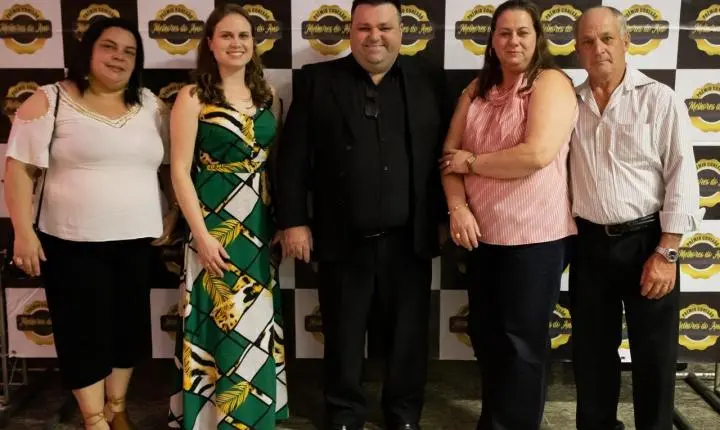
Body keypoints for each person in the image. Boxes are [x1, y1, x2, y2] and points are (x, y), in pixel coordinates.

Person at [275, 0, 448, 428]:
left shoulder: (429, 79)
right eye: (365, 27)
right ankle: (344, 413)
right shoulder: (318, 81)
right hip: (341, 237)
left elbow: (446, 153)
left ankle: (403, 414)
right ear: (350, 31)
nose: (375, 37)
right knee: (343, 334)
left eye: (385, 27)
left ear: (401, 31)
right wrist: (293, 220)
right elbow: (292, 157)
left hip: (409, 238)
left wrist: (447, 215)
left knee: (407, 337)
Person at [3, 17, 176, 430]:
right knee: (83, 334)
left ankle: (117, 408)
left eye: (129, 52)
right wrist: (23, 232)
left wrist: (172, 212)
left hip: (137, 240)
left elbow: (171, 165)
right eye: (109, 47)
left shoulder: (152, 106)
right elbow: (19, 169)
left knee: (128, 331)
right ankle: (94, 418)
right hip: (71, 242)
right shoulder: (50, 100)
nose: (119, 57)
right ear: (88, 52)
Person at [439, 0, 577, 428]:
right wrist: (458, 207)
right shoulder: (477, 88)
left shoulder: (550, 82)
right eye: (504, 32)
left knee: (522, 345)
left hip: (535, 239)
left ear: (538, 38)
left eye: (522, 32)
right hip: (480, 236)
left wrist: (472, 162)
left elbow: (534, 155)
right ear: (492, 40)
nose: (513, 40)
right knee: (487, 338)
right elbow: (448, 157)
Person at [569, 6, 703, 430]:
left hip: (648, 243)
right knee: (591, 354)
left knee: (655, 355)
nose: (598, 48)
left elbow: (683, 175)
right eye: (588, 41)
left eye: (607, 38)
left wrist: (668, 251)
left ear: (626, 42)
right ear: (577, 50)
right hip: (588, 244)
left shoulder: (660, 99)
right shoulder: (568, 103)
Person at [166, 4, 288, 430]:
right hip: (212, 223)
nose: (236, 43)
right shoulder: (192, 97)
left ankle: (253, 415)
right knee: (217, 315)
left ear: (254, 44)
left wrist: (279, 222)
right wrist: (200, 235)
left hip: (258, 224)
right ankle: (211, 419)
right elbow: (180, 171)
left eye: (244, 36)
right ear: (210, 44)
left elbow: (273, 165)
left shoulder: (268, 97)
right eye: (227, 35)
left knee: (255, 319)